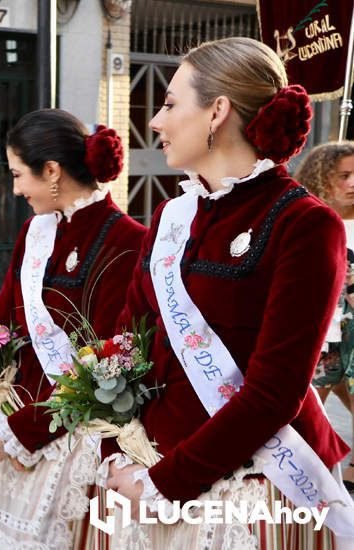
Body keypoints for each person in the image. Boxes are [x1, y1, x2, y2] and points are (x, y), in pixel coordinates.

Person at [106, 37, 354, 547]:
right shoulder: (172, 216)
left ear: (217, 111)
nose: (155, 121)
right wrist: (116, 444)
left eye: (171, 103)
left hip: (257, 488)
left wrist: (163, 484)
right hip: (151, 468)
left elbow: (274, 392)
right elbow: (129, 343)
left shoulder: (305, 223)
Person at [0, 109, 145, 549]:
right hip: (13, 428)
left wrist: (18, 431)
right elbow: (4, 324)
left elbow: (109, 364)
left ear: (51, 171)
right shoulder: (35, 230)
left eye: (17, 174)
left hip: (72, 439)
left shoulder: (128, 239)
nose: (15, 189)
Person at [296, 141, 354, 494]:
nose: (352, 183)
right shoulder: (313, 220)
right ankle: (304, 470)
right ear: (321, 178)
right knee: (309, 402)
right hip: (327, 332)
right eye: (343, 175)